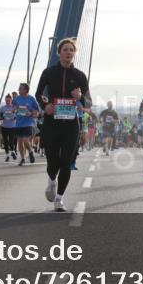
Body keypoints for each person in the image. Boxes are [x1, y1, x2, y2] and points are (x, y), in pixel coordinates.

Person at [36, 38, 90, 210]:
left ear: (74, 54)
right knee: (53, 161)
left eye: (71, 50)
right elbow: (38, 94)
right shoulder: (49, 72)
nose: (68, 53)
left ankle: (59, 199)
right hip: (52, 122)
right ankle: (52, 180)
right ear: (59, 52)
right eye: (65, 50)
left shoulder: (80, 76)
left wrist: (80, 97)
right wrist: (46, 106)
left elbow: (88, 101)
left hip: (71, 125)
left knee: (66, 162)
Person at [13, 82, 41, 166]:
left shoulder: (31, 99)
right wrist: (14, 109)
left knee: (25, 140)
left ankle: (31, 152)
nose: (18, 89)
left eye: (20, 88)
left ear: (25, 90)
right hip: (18, 123)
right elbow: (13, 107)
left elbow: (37, 110)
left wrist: (31, 113)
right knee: (20, 142)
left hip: (29, 123)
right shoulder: (17, 99)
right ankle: (23, 158)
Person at [0, 93, 18, 161]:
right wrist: (2, 118)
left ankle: (13, 151)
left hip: (12, 126)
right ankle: (7, 155)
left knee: (11, 141)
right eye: (6, 100)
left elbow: (17, 115)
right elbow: (0, 117)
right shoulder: (2, 108)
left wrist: (14, 118)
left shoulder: (14, 107)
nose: (8, 102)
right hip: (4, 126)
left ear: (11, 100)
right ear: (5, 100)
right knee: (5, 142)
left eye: (9, 100)